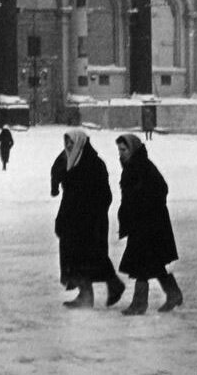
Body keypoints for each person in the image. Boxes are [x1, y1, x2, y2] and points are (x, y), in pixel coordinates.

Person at [50, 129, 125, 309]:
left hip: (89, 219)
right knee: (78, 257)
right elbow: (57, 172)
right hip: (72, 218)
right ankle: (87, 295)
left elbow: (104, 195)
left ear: (80, 142)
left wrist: (90, 214)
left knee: (91, 256)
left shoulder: (93, 163)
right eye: (66, 142)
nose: (68, 146)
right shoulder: (69, 160)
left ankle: (111, 285)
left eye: (71, 142)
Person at [115, 134, 182, 315]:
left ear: (133, 149)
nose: (121, 154)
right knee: (153, 262)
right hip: (142, 222)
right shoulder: (131, 167)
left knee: (141, 263)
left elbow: (161, 188)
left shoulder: (143, 166)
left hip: (150, 223)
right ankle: (173, 293)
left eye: (124, 149)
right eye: (120, 150)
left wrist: (145, 205)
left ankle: (139, 304)